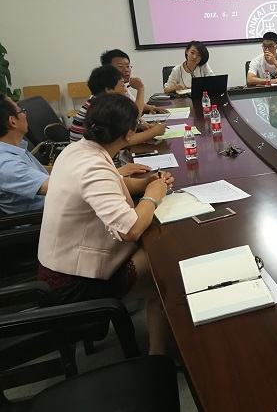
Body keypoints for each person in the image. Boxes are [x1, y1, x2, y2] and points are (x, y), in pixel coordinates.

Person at [37, 94, 173, 355]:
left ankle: (160, 352)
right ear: (129, 134)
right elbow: (130, 229)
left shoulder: (78, 150)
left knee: (159, 260)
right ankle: (158, 357)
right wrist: (152, 197)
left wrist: (147, 183)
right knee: (166, 267)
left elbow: (112, 185)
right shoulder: (93, 167)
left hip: (59, 266)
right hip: (73, 284)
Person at [70, 66, 165, 174]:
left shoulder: (97, 104)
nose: (125, 90)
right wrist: (155, 131)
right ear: (108, 89)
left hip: (94, 162)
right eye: (122, 85)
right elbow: (126, 140)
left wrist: (138, 125)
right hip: (94, 168)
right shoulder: (103, 109)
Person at [0, 94, 50, 214]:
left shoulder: (11, 148)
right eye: (22, 111)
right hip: (39, 218)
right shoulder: (7, 164)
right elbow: (60, 188)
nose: (25, 114)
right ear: (12, 121)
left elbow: (34, 170)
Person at [100, 49, 168, 114]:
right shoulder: (109, 90)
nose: (126, 70)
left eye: (127, 66)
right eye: (120, 66)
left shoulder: (122, 86)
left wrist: (151, 107)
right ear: (107, 69)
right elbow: (135, 115)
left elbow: (134, 104)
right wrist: (140, 89)